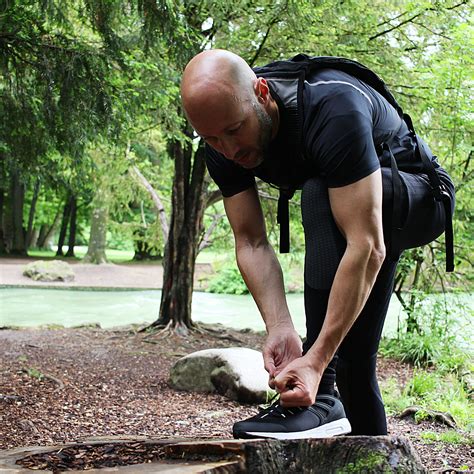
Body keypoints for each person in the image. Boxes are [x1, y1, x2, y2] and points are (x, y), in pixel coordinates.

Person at [180, 49, 454, 439]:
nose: (228, 149)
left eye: (235, 130)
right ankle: (368, 456)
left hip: (419, 195)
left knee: (318, 194)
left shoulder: (331, 107)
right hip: (361, 211)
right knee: (355, 361)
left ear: (262, 93)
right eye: (211, 138)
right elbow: (252, 241)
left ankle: (324, 398)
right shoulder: (221, 136)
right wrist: (279, 327)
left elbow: (367, 244)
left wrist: (315, 360)